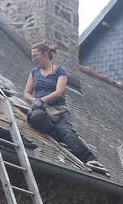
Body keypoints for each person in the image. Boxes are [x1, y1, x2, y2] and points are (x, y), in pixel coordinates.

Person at [23, 43, 105, 172]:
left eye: (35, 56)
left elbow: (58, 92)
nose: (33, 59)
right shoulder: (34, 73)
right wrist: (35, 101)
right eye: (32, 56)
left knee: (68, 134)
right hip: (41, 110)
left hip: (58, 110)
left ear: (45, 55)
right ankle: (57, 135)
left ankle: (90, 158)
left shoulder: (60, 71)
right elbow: (26, 93)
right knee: (35, 117)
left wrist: (41, 100)